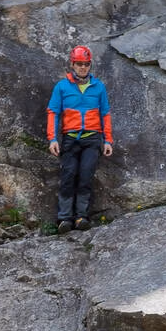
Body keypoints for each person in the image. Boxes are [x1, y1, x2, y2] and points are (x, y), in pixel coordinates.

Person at [46, 45, 113, 234]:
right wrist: (52, 139)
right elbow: (53, 112)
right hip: (70, 139)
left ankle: (81, 217)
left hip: (92, 139)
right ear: (73, 64)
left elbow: (105, 114)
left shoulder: (98, 86)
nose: (83, 67)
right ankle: (64, 219)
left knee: (86, 176)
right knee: (68, 176)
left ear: (90, 65)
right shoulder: (62, 86)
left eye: (86, 64)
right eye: (79, 64)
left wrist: (108, 140)